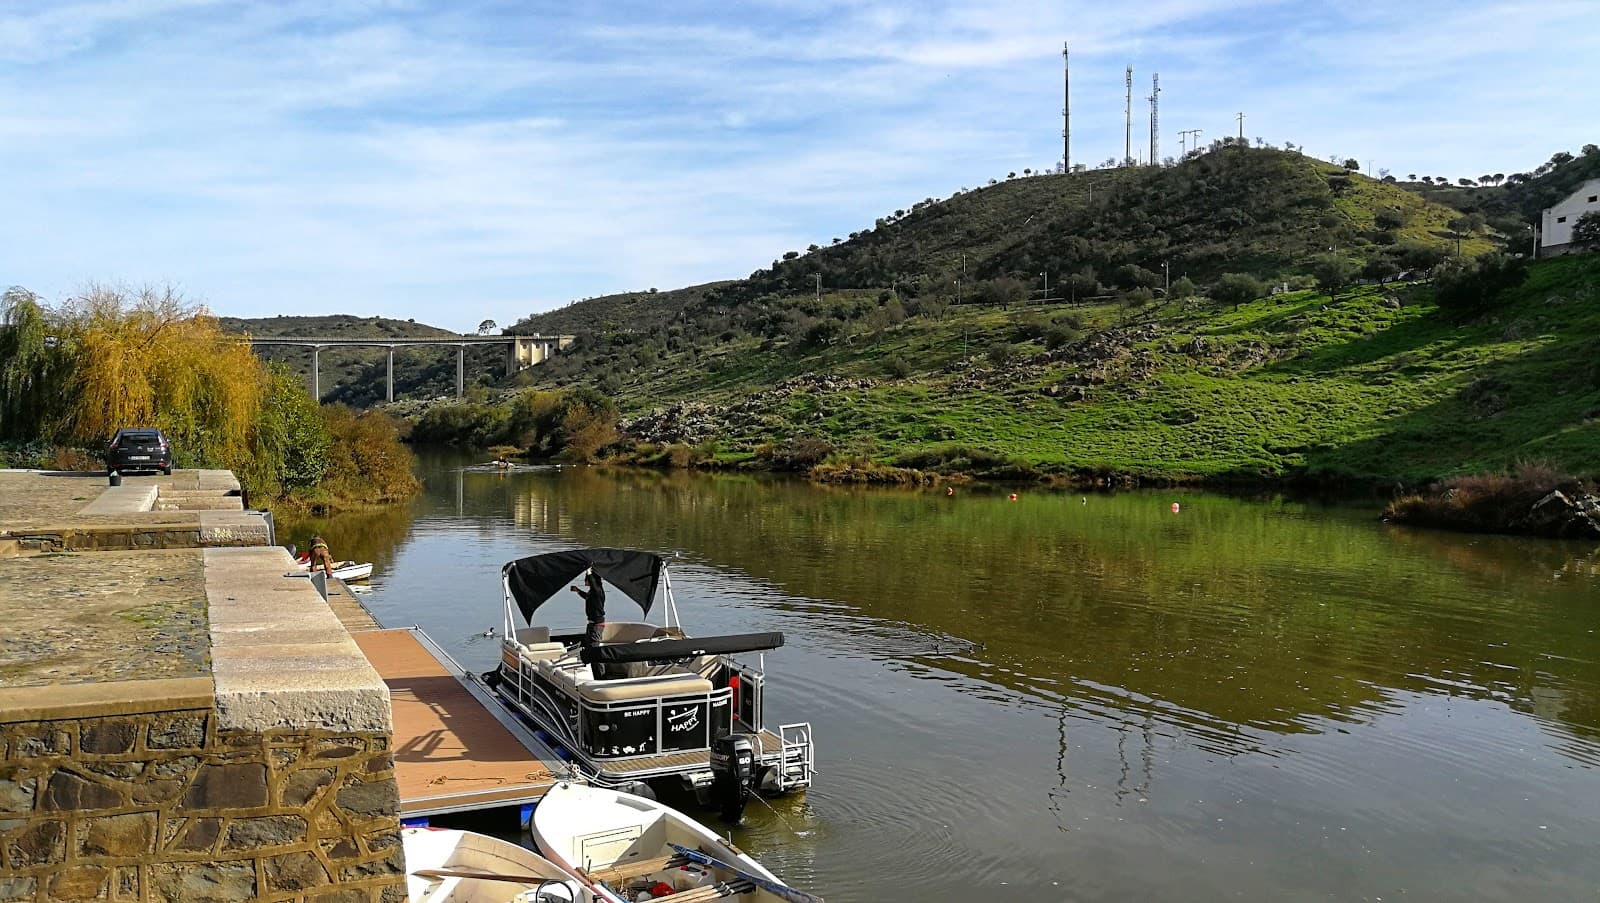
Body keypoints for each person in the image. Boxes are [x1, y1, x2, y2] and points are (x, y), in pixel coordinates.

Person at [569, 569, 607, 679]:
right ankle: (596, 674)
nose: (585, 581)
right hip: (592, 625)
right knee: (590, 648)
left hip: (596, 625)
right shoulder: (592, 592)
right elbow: (587, 597)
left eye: (586, 580)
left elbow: (593, 584)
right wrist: (578, 591)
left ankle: (601, 677)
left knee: (595, 650)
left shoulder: (598, 591)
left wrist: (588, 571)